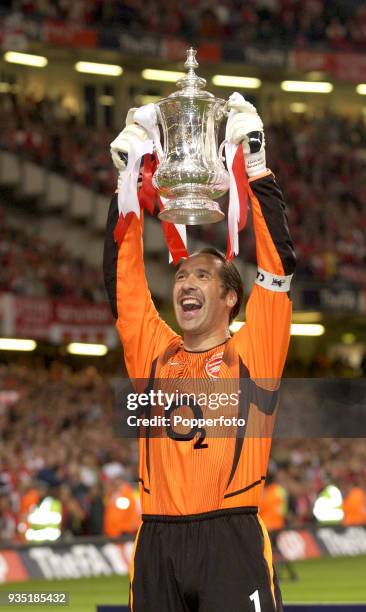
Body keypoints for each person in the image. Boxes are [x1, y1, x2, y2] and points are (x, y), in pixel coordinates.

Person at [104, 98, 296, 612]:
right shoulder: (154, 354)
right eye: (182, 275)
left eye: (203, 275)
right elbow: (125, 287)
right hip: (157, 542)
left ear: (231, 297)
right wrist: (124, 186)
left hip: (230, 540)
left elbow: (278, 268)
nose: (186, 282)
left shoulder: (254, 350)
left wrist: (256, 169)